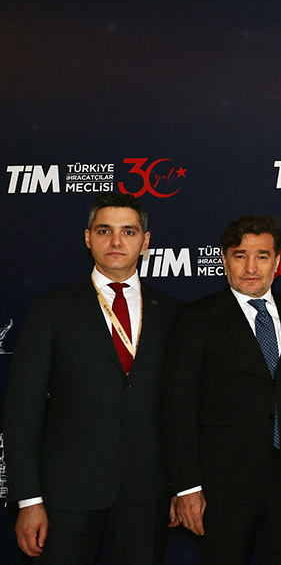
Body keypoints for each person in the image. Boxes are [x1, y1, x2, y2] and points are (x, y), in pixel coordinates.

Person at [3, 192, 179, 563]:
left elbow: (183, 408)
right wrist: (29, 500)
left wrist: (181, 487)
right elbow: (22, 411)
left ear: (145, 241)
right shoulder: (52, 310)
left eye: (128, 231)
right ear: (88, 238)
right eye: (104, 230)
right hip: (66, 494)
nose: (116, 241)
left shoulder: (173, 313)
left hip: (146, 493)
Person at [162, 214, 281, 563]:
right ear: (224, 259)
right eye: (240, 255)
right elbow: (177, 407)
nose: (251, 267)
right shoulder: (197, 317)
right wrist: (186, 487)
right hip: (222, 488)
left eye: (262, 256)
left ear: (277, 262)